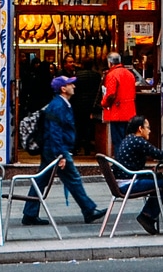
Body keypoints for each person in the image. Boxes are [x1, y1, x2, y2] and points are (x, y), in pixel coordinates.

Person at [22, 75, 104, 227]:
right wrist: (60, 155)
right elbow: (55, 132)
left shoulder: (61, 104)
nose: (74, 86)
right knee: (73, 178)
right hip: (56, 149)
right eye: (70, 84)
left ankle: (29, 213)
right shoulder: (59, 106)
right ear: (63, 88)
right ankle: (89, 210)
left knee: (41, 181)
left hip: (52, 149)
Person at [114, 114, 163, 235]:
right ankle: (147, 216)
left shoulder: (128, 139)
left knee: (159, 179)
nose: (149, 130)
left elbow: (132, 164)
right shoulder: (138, 141)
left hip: (123, 180)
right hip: (128, 183)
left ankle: (148, 215)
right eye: (148, 127)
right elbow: (159, 154)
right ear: (140, 129)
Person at [101, 52, 136, 154]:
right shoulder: (130, 74)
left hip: (117, 112)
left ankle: (119, 164)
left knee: (118, 141)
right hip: (129, 112)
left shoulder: (112, 75)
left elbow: (111, 94)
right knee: (127, 140)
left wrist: (104, 103)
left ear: (110, 62)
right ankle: (127, 162)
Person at [71, 56, 101, 154]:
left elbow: (74, 90)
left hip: (78, 104)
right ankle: (87, 148)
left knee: (78, 126)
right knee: (89, 126)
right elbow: (98, 90)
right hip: (91, 104)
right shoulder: (96, 76)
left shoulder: (77, 76)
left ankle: (76, 147)